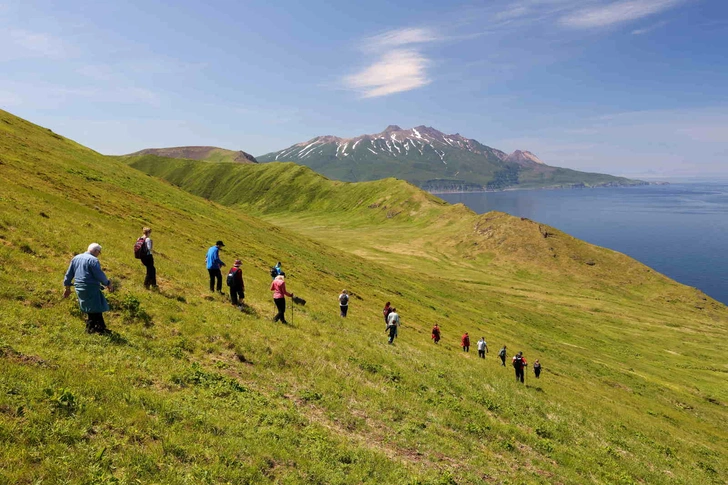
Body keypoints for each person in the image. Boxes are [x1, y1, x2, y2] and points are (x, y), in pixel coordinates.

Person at [63, 243, 114, 334]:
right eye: (99, 252)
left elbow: (69, 274)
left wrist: (67, 288)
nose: (99, 254)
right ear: (95, 251)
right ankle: (90, 329)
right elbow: (99, 274)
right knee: (95, 308)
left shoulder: (76, 258)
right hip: (90, 287)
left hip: (79, 287)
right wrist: (108, 283)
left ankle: (100, 328)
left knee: (93, 307)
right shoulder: (93, 260)